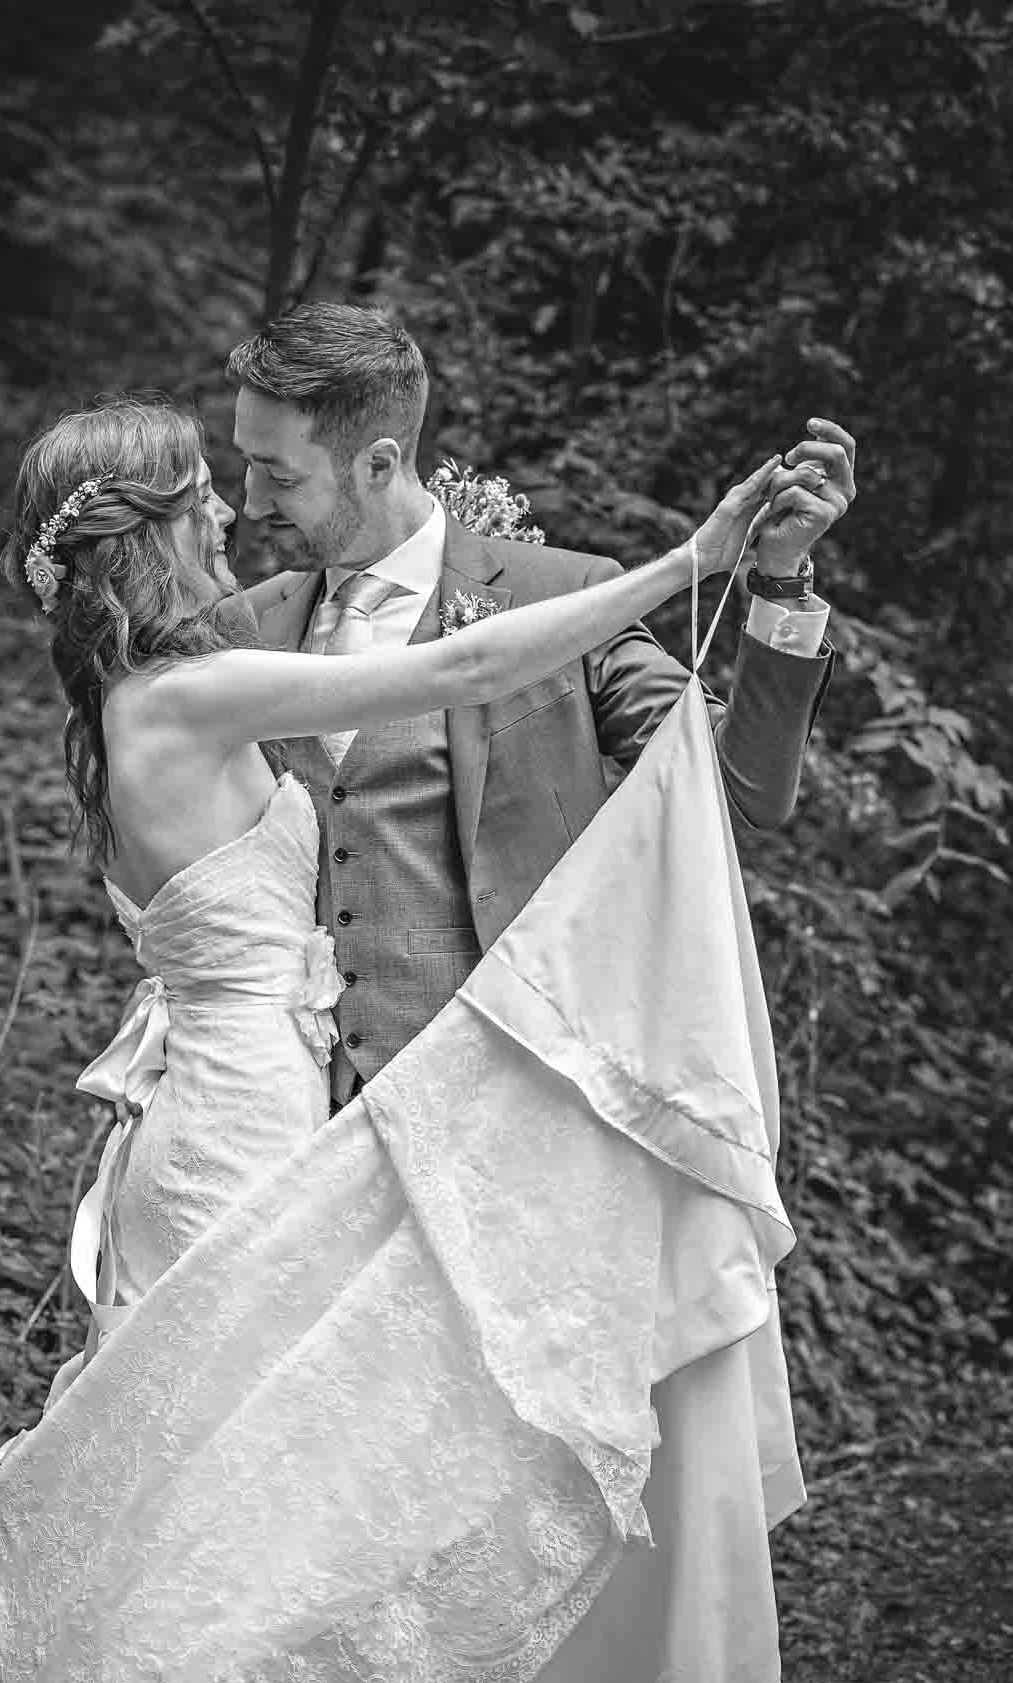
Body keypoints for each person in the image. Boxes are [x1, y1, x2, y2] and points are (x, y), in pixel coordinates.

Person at [0, 389, 836, 1683]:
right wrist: (688, 553)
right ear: (155, 531)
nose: (236, 511)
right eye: (208, 495)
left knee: (245, 1495)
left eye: (256, 477)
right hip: (241, 1137)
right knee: (235, 1514)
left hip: (258, 1115)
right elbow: (467, 665)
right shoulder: (185, 691)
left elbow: (449, 653)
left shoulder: (156, 684)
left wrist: (485, 555)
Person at [228, 303, 852, 1112]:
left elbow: (745, 790)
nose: (251, 503)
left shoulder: (561, 600)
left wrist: (775, 581)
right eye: (246, 465)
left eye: (281, 477)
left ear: (378, 463)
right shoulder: (245, 628)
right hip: (289, 1126)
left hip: (505, 1115)